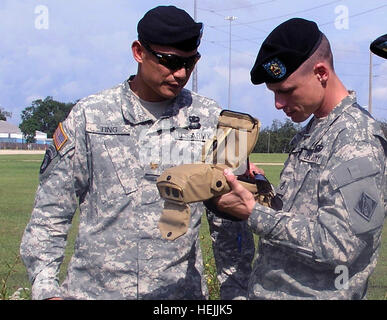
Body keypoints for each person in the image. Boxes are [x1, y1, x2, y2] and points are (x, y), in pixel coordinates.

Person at [20, 5, 254, 300]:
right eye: (169, 61)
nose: (180, 73)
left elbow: (230, 226)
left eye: (190, 63)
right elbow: (50, 212)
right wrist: (46, 290)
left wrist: (237, 294)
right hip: (95, 293)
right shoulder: (90, 117)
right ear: (138, 52)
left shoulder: (213, 122)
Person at [214, 18, 386, 299]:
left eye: (286, 91)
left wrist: (253, 213)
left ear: (321, 72)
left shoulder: (356, 138)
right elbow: (300, 210)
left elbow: (340, 245)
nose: (278, 104)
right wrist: (258, 188)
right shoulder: (315, 130)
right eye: (273, 93)